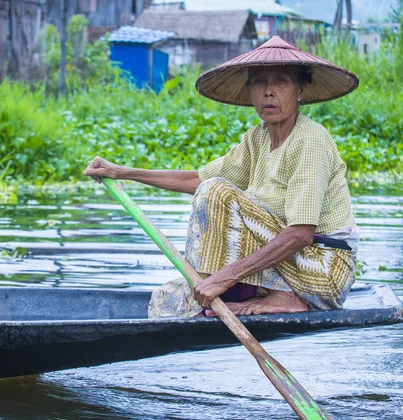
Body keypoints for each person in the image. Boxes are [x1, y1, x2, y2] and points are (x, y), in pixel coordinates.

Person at [83, 36, 360, 318]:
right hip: (285, 269)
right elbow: (197, 181)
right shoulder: (257, 139)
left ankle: (283, 297)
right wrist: (122, 172)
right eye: (259, 83)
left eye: (281, 82)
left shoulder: (311, 139)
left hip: (322, 271)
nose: (268, 92)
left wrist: (226, 277)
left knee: (216, 192)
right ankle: (233, 287)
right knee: (167, 302)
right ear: (250, 91)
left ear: (300, 89)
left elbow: (301, 234)